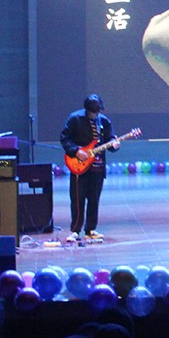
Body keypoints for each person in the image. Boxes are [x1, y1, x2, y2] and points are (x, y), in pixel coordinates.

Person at [60, 94, 119, 243]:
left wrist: (114, 145)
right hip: (79, 165)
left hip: (97, 167)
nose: (95, 114)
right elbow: (65, 138)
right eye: (93, 112)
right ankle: (75, 230)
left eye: (97, 111)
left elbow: (110, 140)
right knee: (77, 199)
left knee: (94, 199)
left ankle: (90, 229)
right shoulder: (75, 119)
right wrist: (76, 151)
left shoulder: (104, 121)